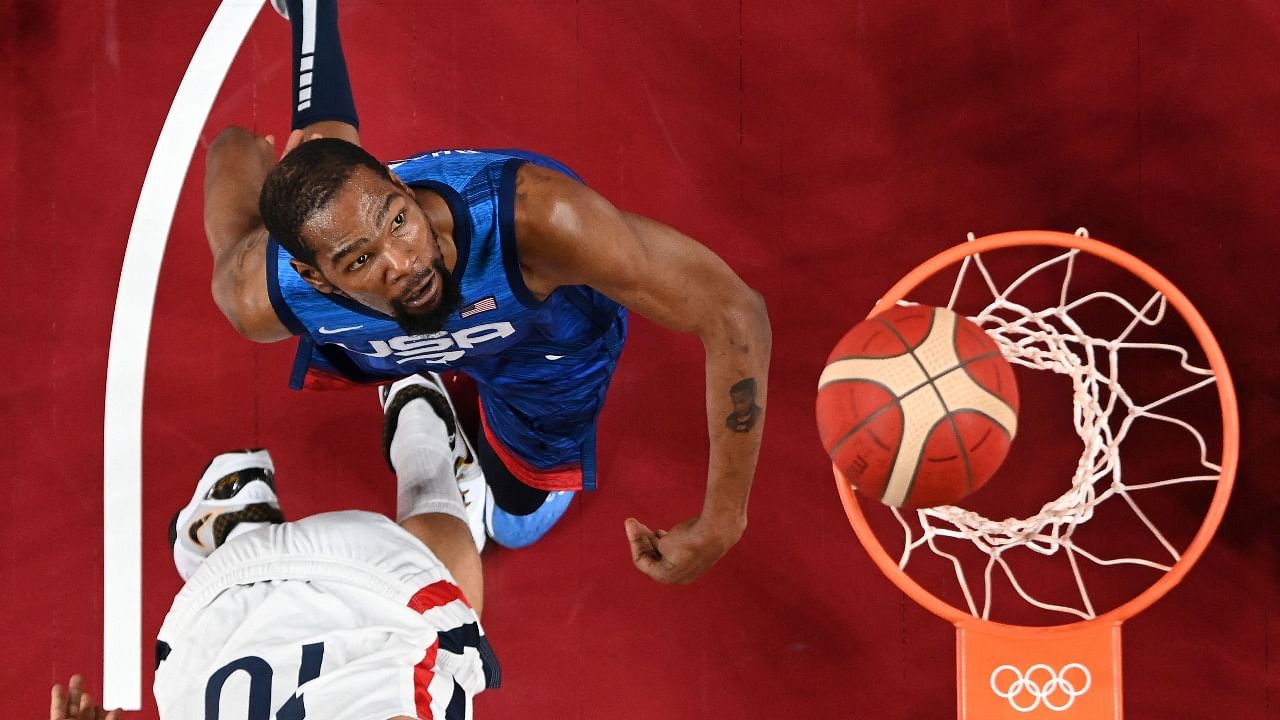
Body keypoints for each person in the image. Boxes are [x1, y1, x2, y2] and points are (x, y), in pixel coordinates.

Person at [204, 0, 771, 583]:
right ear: (315, 278)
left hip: (545, 346)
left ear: (400, 183)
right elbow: (241, 181)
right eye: (362, 260)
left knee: (514, 518)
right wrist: (240, 146)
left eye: (399, 220)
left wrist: (722, 522)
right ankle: (422, 403)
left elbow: (732, 311)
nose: (403, 263)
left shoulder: (538, 223)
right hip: (392, 328)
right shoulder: (263, 295)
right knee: (320, 179)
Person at [51, 373, 498, 719]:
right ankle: (239, 523)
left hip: (369, 572)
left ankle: (417, 407)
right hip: (204, 624)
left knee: (450, 624)